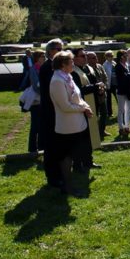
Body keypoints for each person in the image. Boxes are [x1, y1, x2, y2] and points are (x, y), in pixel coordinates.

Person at [49, 50, 94, 196]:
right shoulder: (57, 80)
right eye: (71, 62)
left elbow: (78, 95)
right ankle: (67, 187)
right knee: (66, 157)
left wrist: (85, 106)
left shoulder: (67, 77)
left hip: (76, 124)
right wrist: (83, 108)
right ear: (63, 65)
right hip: (67, 126)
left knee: (72, 155)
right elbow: (65, 106)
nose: (73, 64)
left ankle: (69, 185)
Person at [71, 48, 103, 171]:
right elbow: (79, 91)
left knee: (89, 137)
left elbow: (95, 83)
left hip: (92, 105)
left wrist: (100, 89)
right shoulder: (73, 72)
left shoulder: (87, 69)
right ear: (74, 58)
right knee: (81, 138)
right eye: (82, 56)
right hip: (81, 108)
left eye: (85, 55)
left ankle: (88, 161)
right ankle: (78, 164)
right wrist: (95, 87)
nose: (85, 58)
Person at [39, 38, 64, 187]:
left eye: (62, 48)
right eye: (58, 48)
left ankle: (60, 173)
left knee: (59, 144)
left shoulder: (57, 67)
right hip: (50, 112)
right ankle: (52, 176)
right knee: (51, 145)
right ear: (50, 51)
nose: (61, 51)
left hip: (59, 111)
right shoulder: (47, 67)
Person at [86, 52, 110, 139]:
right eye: (92, 58)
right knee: (94, 115)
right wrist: (97, 89)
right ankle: (93, 132)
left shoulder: (99, 66)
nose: (95, 59)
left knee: (104, 113)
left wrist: (104, 87)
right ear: (87, 59)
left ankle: (102, 131)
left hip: (102, 94)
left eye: (95, 57)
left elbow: (105, 77)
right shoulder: (86, 69)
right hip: (93, 96)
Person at [27, 50, 45, 152]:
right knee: (35, 125)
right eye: (42, 56)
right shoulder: (33, 69)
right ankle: (32, 148)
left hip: (43, 100)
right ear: (37, 58)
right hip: (36, 101)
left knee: (42, 124)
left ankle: (41, 146)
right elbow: (35, 85)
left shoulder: (44, 67)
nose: (44, 57)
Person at [115, 50, 130, 136]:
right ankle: (121, 128)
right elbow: (123, 78)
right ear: (121, 57)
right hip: (121, 91)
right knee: (121, 110)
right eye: (125, 55)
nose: (127, 56)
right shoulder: (118, 66)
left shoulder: (128, 65)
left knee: (128, 110)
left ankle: (127, 127)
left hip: (129, 90)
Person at [102, 50, 117, 118]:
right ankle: (110, 113)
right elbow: (104, 76)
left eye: (112, 56)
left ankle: (122, 110)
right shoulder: (104, 65)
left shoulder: (114, 63)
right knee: (108, 99)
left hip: (115, 84)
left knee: (118, 98)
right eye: (110, 56)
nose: (111, 57)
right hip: (108, 84)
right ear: (106, 57)